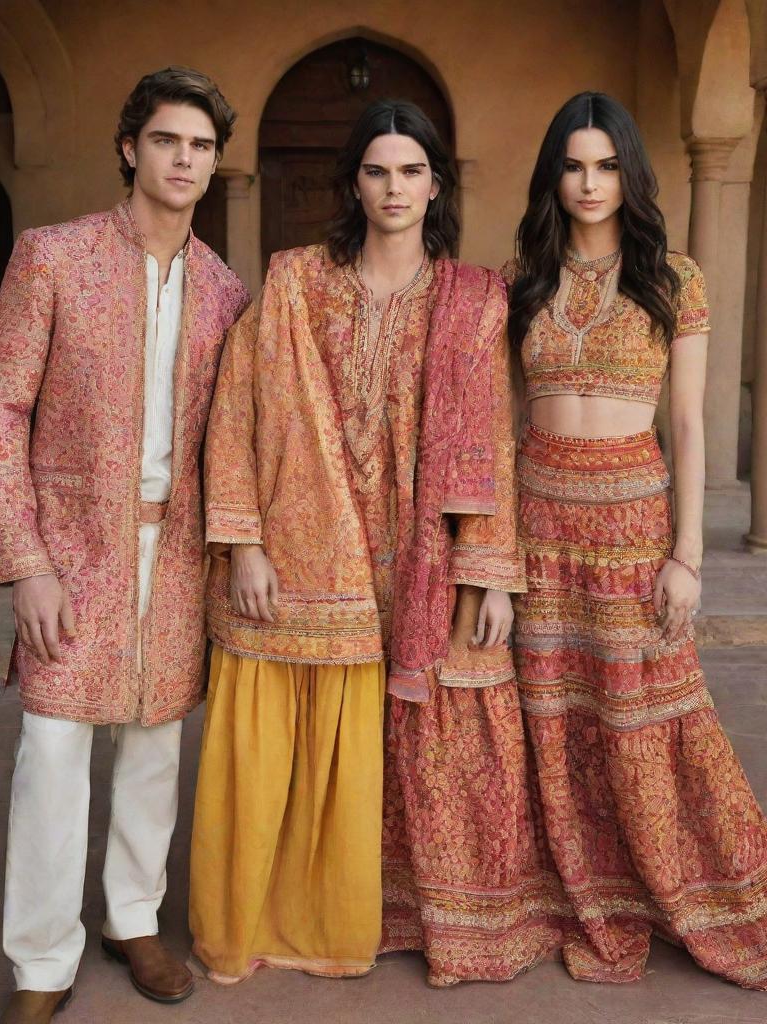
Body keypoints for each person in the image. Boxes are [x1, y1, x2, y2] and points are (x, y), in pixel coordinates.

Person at [505, 91, 767, 990]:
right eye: (575, 165)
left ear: (632, 173)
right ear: (555, 173)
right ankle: (587, 890)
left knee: (647, 722)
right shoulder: (526, 279)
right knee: (555, 722)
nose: (591, 183)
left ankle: (685, 884)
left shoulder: (674, 278)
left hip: (633, 528)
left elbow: (693, 429)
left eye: (607, 165)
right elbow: (507, 419)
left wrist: (687, 555)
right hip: (540, 523)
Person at [189, 99, 525, 985]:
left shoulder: (471, 299)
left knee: (436, 733)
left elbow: (492, 436)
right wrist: (244, 541)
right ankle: (293, 913)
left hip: (425, 549)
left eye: (412, 170)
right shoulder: (298, 281)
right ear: (353, 183)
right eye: (377, 170)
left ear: (436, 183)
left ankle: (420, 916)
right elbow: (237, 408)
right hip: (310, 549)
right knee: (302, 741)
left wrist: (490, 573)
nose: (394, 188)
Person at [0, 67, 249, 1023]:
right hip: (73, 553)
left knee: (155, 746)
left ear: (216, 164)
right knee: (51, 752)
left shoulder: (223, 289)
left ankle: (133, 919)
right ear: (131, 147)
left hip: (175, 553)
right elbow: (1, 410)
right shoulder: (54, 256)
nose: (185, 159)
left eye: (202, 146)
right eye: (168, 140)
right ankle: (40, 962)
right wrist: (27, 563)